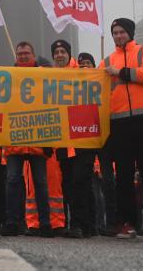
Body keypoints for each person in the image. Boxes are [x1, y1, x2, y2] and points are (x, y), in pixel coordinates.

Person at [99, 18, 143, 239]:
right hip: (119, 124)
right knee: (124, 177)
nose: (118, 36)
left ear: (130, 33)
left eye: (121, 32)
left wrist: (120, 72)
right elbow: (96, 90)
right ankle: (127, 223)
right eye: (114, 33)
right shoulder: (106, 61)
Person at [0, 41, 53, 238]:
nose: (22, 56)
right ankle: (12, 223)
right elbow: (1, 106)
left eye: (26, 53)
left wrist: (49, 140)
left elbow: (52, 105)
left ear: (34, 55)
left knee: (40, 182)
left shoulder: (44, 76)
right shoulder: (7, 78)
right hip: (15, 140)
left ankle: (45, 224)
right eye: (20, 53)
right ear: (16, 56)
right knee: (13, 181)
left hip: (39, 139)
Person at [52, 39, 96, 239]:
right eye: (56, 52)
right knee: (69, 183)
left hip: (82, 137)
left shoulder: (82, 73)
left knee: (80, 181)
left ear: (69, 54)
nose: (59, 55)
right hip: (63, 140)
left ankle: (80, 223)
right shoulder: (50, 78)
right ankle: (85, 225)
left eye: (62, 51)